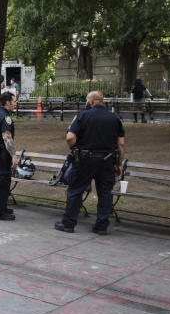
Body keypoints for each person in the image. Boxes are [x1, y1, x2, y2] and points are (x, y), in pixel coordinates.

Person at [54, 91, 125, 235]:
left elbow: (70, 137)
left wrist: (75, 150)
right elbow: (121, 144)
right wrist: (119, 163)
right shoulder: (114, 119)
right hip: (107, 161)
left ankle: (68, 223)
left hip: (85, 160)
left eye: (87, 100)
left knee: (75, 190)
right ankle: (102, 226)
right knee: (105, 193)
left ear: (91, 101)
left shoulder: (82, 116)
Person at [0, 91, 18, 221]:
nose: (15, 103)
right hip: (2, 154)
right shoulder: (6, 118)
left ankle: (2, 207)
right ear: (7, 102)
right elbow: (7, 138)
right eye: (14, 101)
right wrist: (14, 156)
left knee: (4, 181)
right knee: (2, 182)